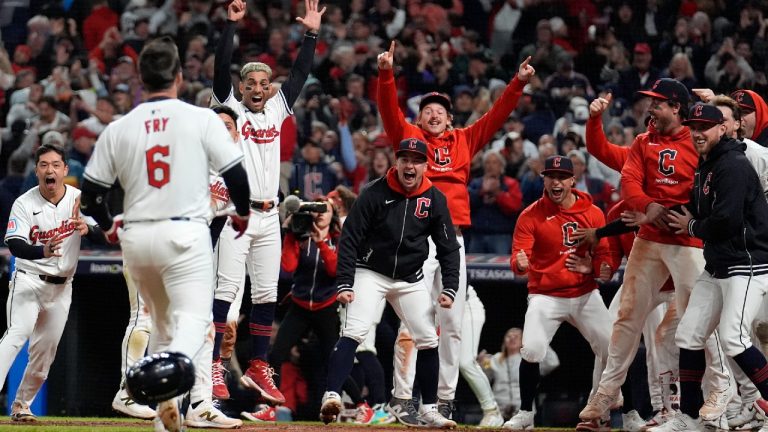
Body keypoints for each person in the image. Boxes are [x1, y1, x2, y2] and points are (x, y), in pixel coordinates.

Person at [80, 37, 251, 432]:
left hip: (137, 240)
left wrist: (107, 226)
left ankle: (163, 414)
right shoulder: (201, 118)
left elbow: (90, 196)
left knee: (158, 327)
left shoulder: (120, 127)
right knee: (196, 323)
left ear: (140, 79)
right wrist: (241, 212)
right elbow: (237, 177)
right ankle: (165, 371)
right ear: (178, 76)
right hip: (185, 235)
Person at [376, 40, 535, 420]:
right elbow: (388, 111)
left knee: (452, 322)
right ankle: (402, 398)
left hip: (453, 240)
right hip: (415, 238)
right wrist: (385, 75)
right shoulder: (410, 142)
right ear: (420, 118)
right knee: (412, 319)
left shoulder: (464, 140)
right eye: (427, 110)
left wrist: (518, 84)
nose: (434, 114)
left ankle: (443, 399)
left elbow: (496, 116)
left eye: (440, 111)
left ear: (450, 119)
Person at [579, 78, 732, 427]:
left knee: (700, 323)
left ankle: (723, 393)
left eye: (657, 103)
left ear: (676, 107)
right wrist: (649, 206)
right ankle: (606, 394)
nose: (650, 109)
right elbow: (629, 182)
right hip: (650, 238)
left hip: (689, 241)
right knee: (627, 317)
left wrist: (690, 215)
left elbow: (721, 174)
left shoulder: (697, 138)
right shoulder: (643, 142)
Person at [209, 0, 325, 407]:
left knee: (265, 296)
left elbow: (299, 74)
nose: (258, 89)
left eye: (264, 83)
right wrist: (230, 27)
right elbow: (220, 68)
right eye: (251, 83)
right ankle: (212, 366)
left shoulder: (276, 109)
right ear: (242, 89)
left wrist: (311, 34)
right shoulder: (231, 109)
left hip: (270, 214)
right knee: (226, 294)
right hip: (235, 216)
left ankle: (259, 365)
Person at [318, 138, 459, 429]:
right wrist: (345, 282)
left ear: (425, 165)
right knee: (355, 331)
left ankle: (430, 409)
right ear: (397, 162)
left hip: (410, 278)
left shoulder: (434, 198)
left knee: (428, 339)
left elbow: (448, 247)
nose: (410, 165)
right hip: (370, 271)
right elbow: (350, 239)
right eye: (405, 159)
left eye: (417, 160)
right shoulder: (374, 191)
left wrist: (450, 287)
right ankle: (331, 395)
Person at [662, 103, 768, 430]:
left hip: (748, 263)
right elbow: (690, 207)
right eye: (694, 126)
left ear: (722, 128)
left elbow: (727, 221)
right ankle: (689, 419)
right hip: (719, 264)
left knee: (734, 338)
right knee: (689, 334)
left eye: (706, 126)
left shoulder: (732, 164)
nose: (697, 132)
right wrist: (647, 214)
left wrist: (692, 227)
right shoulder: (706, 165)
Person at [507, 155, 613, 430]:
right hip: (546, 294)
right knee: (531, 349)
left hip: (584, 292)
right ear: (544, 179)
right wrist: (519, 264)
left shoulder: (593, 213)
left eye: (561, 177)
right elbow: (519, 256)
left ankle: (597, 410)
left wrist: (596, 267)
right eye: (551, 176)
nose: (556, 182)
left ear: (572, 180)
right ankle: (525, 414)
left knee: (613, 347)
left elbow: (605, 256)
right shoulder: (530, 215)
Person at [1, 144, 96, 422]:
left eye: (55, 164)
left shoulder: (79, 199)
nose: (49, 169)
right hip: (29, 280)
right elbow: (16, 244)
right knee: (16, 335)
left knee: (44, 355)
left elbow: (105, 231)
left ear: (65, 170)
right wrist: (40, 250)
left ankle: (21, 407)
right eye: (44, 165)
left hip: (62, 286)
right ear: (37, 171)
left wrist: (88, 228)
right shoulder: (24, 203)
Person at [479, 327, 559, 421]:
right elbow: (485, 379)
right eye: (509, 336)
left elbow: (553, 363)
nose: (512, 338)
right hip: (499, 410)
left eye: (516, 336)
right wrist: (481, 365)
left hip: (523, 410)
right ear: (504, 340)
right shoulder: (495, 359)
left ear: (523, 341)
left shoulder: (529, 359)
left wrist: (541, 343)